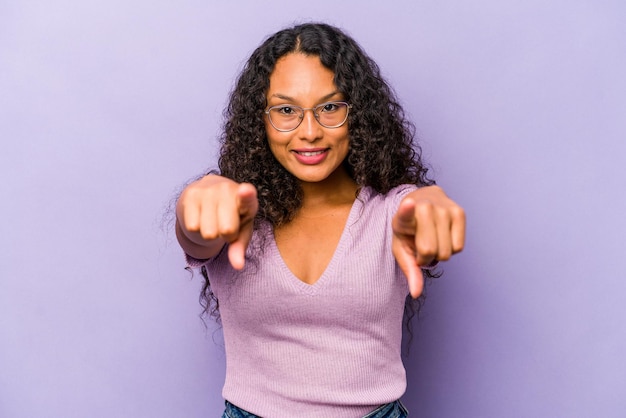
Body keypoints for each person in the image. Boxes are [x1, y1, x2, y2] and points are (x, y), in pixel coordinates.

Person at [175, 23, 465, 418]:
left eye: (330, 107)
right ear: (260, 120)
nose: (309, 132)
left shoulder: (390, 212)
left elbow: (418, 218)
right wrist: (192, 211)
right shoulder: (235, 213)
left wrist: (428, 207)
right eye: (286, 110)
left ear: (357, 115)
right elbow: (197, 236)